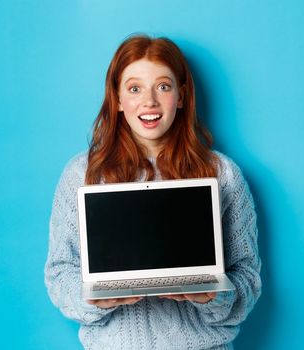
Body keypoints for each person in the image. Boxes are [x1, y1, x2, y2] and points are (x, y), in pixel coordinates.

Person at [44, 34, 261, 349]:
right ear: (117, 98)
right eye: (134, 88)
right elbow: (59, 272)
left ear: (182, 96)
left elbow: (248, 278)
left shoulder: (221, 173)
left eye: (163, 86)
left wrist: (213, 295)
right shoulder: (82, 174)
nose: (149, 102)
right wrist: (97, 298)